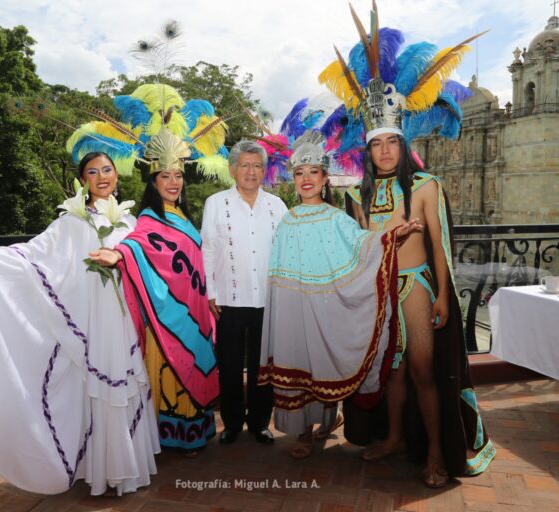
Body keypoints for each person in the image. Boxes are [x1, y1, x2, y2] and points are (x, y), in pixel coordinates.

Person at [317, 2, 495, 488]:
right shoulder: (363, 193)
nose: (385, 151)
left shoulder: (425, 186)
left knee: (420, 371)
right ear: (369, 150)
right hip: (377, 291)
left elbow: (439, 249)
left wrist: (440, 294)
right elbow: (358, 246)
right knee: (388, 374)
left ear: (403, 144)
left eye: (392, 143)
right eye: (377, 145)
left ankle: (436, 452)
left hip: (415, 287)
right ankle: (394, 437)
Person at [0, 151, 160, 496]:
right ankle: (96, 468)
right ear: (83, 181)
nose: (101, 177)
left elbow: (146, 261)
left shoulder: (130, 221)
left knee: (121, 384)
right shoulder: (72, 221)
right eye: (92, 172)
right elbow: (35, 255)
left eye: (107, 170)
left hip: (122, 315)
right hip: (88, 316)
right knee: (91, 387)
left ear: (117, 176)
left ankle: (124, 467)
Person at [257, 131, 422, 459]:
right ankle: (303, 431)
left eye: (313, 172)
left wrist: (392, 236)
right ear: (293, 179)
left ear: (324, 178)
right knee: (299, 359)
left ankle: (325, 422)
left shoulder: (337, 218)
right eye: (300, 173)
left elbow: (364, 245)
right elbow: (276, 272)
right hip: (293, 304)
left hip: (325, 304)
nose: (306, 179)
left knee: (322, 361)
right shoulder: (286, 221)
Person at [89, 128, 219, 455]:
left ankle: (197, 427)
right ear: (153, 182)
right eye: (165, 176)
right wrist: (119, 254)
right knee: (173, 365)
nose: (173, 182)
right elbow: (138, 242)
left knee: (194, 361)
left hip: (196, 306)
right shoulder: (149, 217)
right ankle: (172, 435)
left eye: (178, 175)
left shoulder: (184, 216)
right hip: (169, 313)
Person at [200, 140, 288, 445]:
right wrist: (211, 292)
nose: (251, 171)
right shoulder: (215, 203)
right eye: (245, 165)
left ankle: (260, 422)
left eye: (257, 166)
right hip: (228, 299)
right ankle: (233, 423)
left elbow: (287, 252)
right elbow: (208, 250)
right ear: (232, 169)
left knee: (264, 367)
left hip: (268, 299)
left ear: (264, 170)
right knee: (230, 365)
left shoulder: (277, 206)